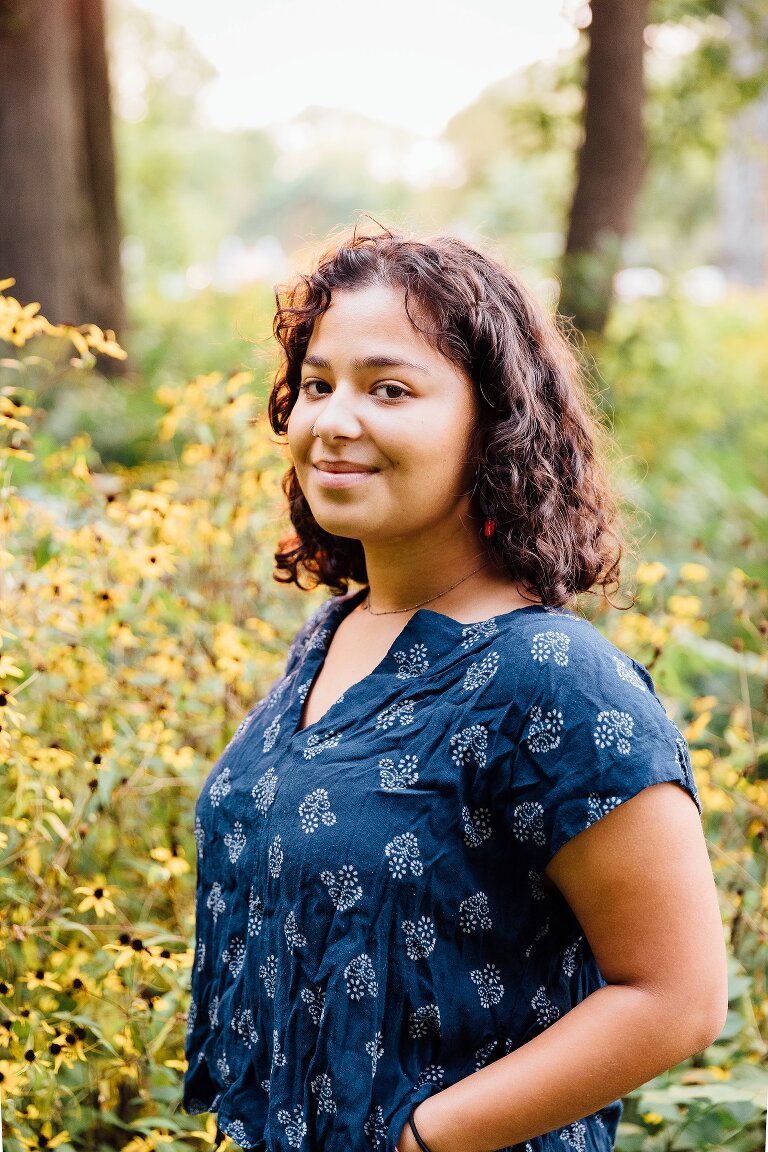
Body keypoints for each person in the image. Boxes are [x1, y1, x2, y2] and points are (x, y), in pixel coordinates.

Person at [182, 227, 728, 1152]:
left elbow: (677, 997)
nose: (335, 420)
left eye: (389, 389)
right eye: (319, 384)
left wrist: (424, 1138)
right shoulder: (334, 638)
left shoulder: (551, 677)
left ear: (494, 421)